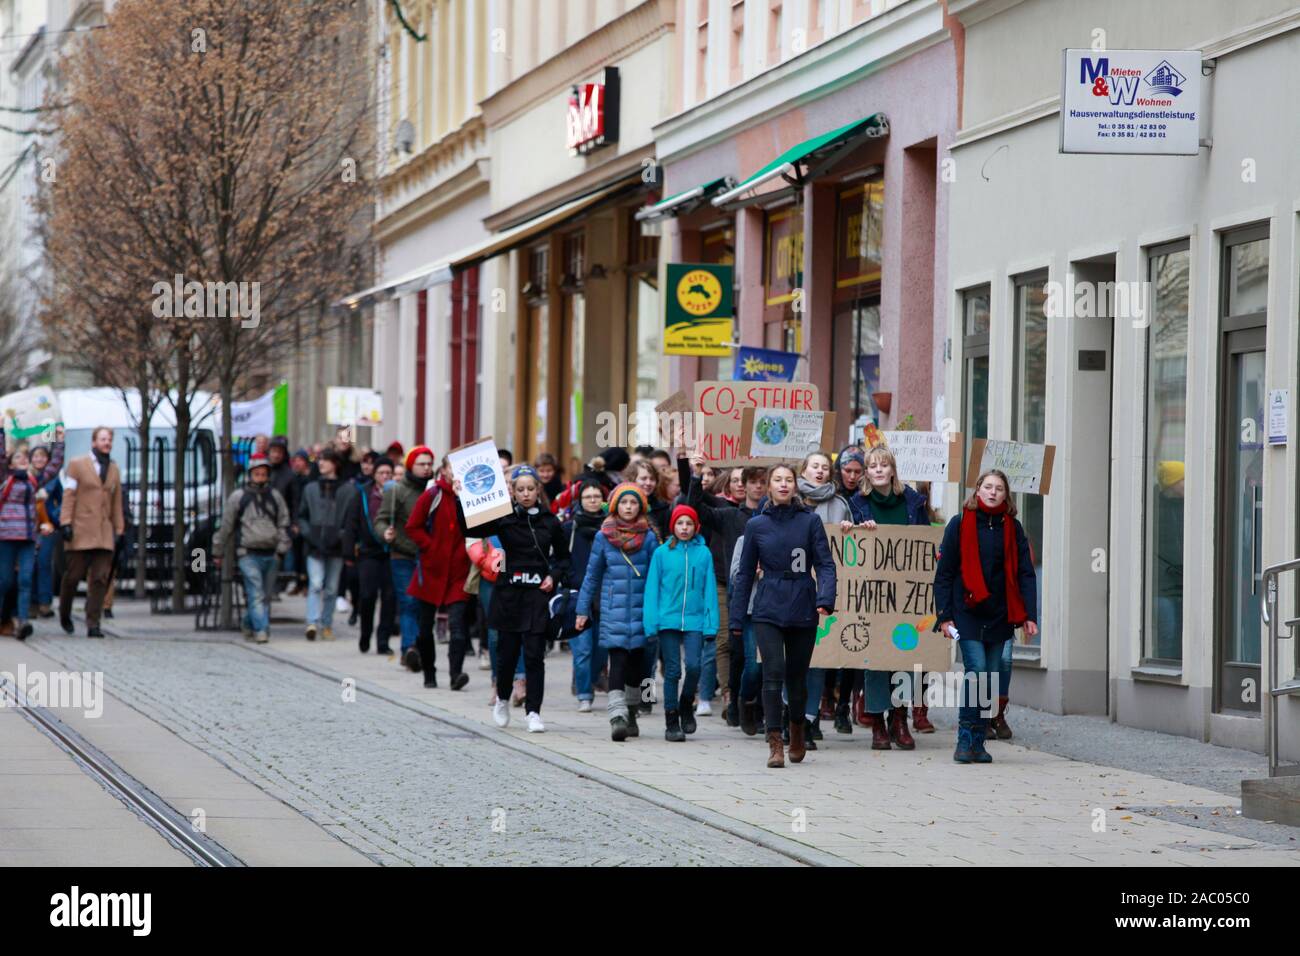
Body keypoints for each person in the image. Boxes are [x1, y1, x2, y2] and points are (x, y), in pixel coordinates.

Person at [730, 463, 836, 769]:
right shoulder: (756, 525)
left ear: (795, 485)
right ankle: (775, 740)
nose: (783, 485)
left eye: (788, 480)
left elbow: (825, 564)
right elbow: (746, 572)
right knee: (772, 672)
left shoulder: (810, 521)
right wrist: (737, 618)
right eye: (777, 480)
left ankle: (797, 728)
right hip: (768, 607)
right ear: (768, 486)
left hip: (803, 603)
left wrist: (826, 599)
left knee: (797, 677)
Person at [933, 468, 1038, 764]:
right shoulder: (959, 524)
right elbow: (945, 573)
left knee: (990, 679)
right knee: (976, 670)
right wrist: (944, 616)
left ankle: (979, 741)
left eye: (999, 489)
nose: (993, 492)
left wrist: (1029, 614)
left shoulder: (1012, 528)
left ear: (1006, 495)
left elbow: (1025, 574)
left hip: (1001, 614)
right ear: (977, 490)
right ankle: (965, 738)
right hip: (966, 611)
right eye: (988, 487)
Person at [457, 465, 568, 734]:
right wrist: (462, 498)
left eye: (531, 489)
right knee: (506, 656)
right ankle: (503, 698)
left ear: (538, 491)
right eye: (521, 490)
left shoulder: (550, 521)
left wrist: (553, 575)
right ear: (513, 492)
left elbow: (564, 558)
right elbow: (470, 526)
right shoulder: (504, 519)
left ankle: (534, 712)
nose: (526, 494)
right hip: (508, 594)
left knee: (534, 657)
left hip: (536, 596)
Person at [853, 444, 933, 749]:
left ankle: (899, 718)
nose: (877, 470)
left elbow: (924, 542)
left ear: (892, 469)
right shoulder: (857, 503)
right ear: (866, 472)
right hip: (872, 591)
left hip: (906, 592)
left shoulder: (912, 501)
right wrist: (857, 528)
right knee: (874, 657)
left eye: (882, 465)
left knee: (904, 651)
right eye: (872, 466)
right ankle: (877, 720)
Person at [687, 455, 766, 728]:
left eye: (762, 482)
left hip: (770, 594)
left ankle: (756, 705)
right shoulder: (731, 515)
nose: (758, 487)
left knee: (763, 656)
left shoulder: (776, 518)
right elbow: (695, 508)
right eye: (753, 482)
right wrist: (695, 475)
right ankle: (736, 699)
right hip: (733, 589)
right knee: (736, 650)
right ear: (741, 487)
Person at [575, 482, 657, 742]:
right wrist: (582, 609)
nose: (629, 507)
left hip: (644, 610)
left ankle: (633, 710)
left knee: (639, 666)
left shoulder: (650, 536)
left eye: (633, 503)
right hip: (614, 610)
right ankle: (617, 717)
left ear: (640, 506)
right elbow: (592, 575)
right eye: (624, 503)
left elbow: (659, 575)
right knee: (618, 662)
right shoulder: (603, 536)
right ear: (615, 506)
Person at [643, 503, 717, 742]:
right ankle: (671, 719)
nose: (684, 528)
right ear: (672, 526)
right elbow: (652, 588)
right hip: (668, 619)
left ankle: (686, 704)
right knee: (673, 671)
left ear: (696, 527)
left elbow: (710, 591)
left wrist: (711, 623)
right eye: (679, 523)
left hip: (695, 620)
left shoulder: (703, 554)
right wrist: (651, 622)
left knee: (695, 666)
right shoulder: (662, 553)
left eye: (689, 524)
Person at [795, 450, 853, 749]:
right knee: (792, 660)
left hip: (824, 591)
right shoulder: (789, 500)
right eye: (814, 466)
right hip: (793, 591)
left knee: (819, 660)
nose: (819, 471)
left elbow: (856, 548)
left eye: (824, 467)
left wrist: (851, 531)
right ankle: (788, 717)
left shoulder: (840, 505)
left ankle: (808, 718)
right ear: (803, 470)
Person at [405, 463, 473, 690]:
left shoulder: (470, 496)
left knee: (458, 626)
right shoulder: (431, 495)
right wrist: (430, 546)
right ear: (444, 471)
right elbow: (412, 526)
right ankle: (429, 672)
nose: (456, 473)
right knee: (425, 628)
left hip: (459, 572)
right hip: (431, 571)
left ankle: (456, 674)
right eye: (453, 468)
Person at [213, 452, 290, 644]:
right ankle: (261, 630)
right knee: (255, 593)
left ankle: (248, 623)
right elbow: (226, 526)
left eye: (264, 474)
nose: (261, 478)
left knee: (263, 596)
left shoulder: (275, 497)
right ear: (250, 474)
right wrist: (217, 551)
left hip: (271, 553)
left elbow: (283, 523)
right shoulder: (239, 497)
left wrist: (282, 547)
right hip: (248, 553)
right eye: (257, 474)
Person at [0, 427, 65, 640]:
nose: (23, 460)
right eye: (18, 457)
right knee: (5, 581)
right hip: (6, 537)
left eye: (24, 458)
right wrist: (1, 430)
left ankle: (22, 621)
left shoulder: (33, 481)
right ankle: (3, 619)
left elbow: (53, 468)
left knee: (26, 580)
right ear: (10, 464)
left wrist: (59, 441)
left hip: (28, 537)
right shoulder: (5, 480)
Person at [58, 425, 122, 639]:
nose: (107, 443)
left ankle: (93, 623)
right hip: (81, 529)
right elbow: (69, 495)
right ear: (94, 442)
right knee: (73, 576)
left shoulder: (113, 468)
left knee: (100, 578)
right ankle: (65, 612)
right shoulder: (77, 464)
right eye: (103, 439)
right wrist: (65, 522)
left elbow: (116, 502)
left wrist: (119, 528)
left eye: (109, 439)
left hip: (104, 531)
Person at [375, 446, 433, 670]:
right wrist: (385, 533)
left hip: (427, 555)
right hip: (402, 554)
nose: (427, 468)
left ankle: (419, 646)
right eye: (422, 464)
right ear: (411, 466)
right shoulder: (396, 491)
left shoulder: (434, 490)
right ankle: (409, 649)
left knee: (423, 605)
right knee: (409, 602)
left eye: (429, 464)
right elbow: (380, 521)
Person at [298, 448, 359, 641]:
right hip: (314, 545)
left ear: (335, 464)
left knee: (332, 588)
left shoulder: (347, 490)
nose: (321, 464)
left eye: (325, 460)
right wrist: (309, 535)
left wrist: (342, 536)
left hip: (336, 546)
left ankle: (326, 624)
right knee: (316, 584)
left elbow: (350, 519)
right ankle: (312, 622)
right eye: (319, 460)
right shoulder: (311, 488)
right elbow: (302, 516)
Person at [560, 480, 609, 712]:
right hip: (576, 594)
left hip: (605, 595)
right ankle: (584, 694)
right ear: (580, 500)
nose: (592, 500)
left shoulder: (610, 527)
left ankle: (588, 679)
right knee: (582, 648)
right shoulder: (570, 528)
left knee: (601, 648)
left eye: (596, 496)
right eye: (588, 496)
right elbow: (559, 559)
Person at [352, 456, 396, 655]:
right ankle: (365, 633)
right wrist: (350, 550)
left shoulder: (396, 493)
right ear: (374, 474)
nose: (385, 477)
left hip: (391, 552)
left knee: (389, 597)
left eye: (388, 473)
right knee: (367, 595)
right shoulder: (363, 493)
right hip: (369, 552)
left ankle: (383, 640)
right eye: (381, 473)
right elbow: (352, 521)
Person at [28, 444, 63, 620]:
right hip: (29, 527)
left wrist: (53, 519)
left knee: (44, 563)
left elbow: (62, 501)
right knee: (30, 564)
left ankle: (44, 602)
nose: (39, 459)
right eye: (36, 456)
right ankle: (31, 603)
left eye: (42, 456)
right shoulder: (26, 477)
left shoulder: (53, 479)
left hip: (47, 527)